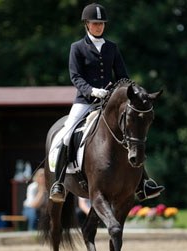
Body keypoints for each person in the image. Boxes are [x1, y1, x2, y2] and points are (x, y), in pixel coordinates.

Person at [49, 3, 164, 203]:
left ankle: (143, 183)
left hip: (109, 103)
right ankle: (58, 182)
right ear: (86, 24)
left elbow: (123, 77)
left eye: (101, 24)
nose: (99, 27)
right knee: (65, 135)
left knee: (131, 134)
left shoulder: (112, 47)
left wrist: (129, 92)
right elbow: (75, 77)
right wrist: (92, 90)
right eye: (95, 23)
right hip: (85, 101)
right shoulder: (77, 48)